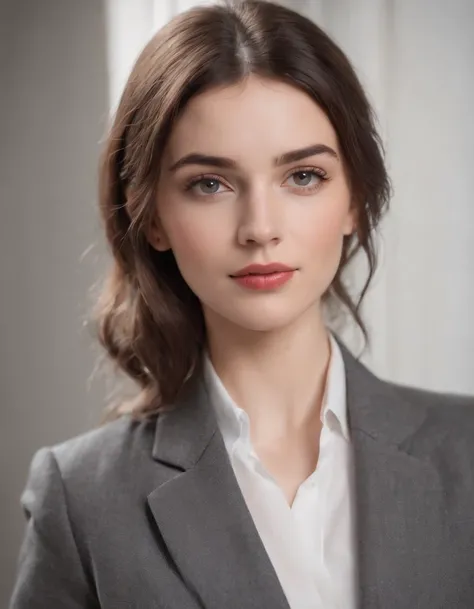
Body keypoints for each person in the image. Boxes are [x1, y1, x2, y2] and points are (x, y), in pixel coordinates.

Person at [9, 0, 474, 608]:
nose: (260, 227)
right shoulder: (81, 498)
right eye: (210, 183)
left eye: (303, 176)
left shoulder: (465, 452)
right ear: (152, 217)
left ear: (355, 198)